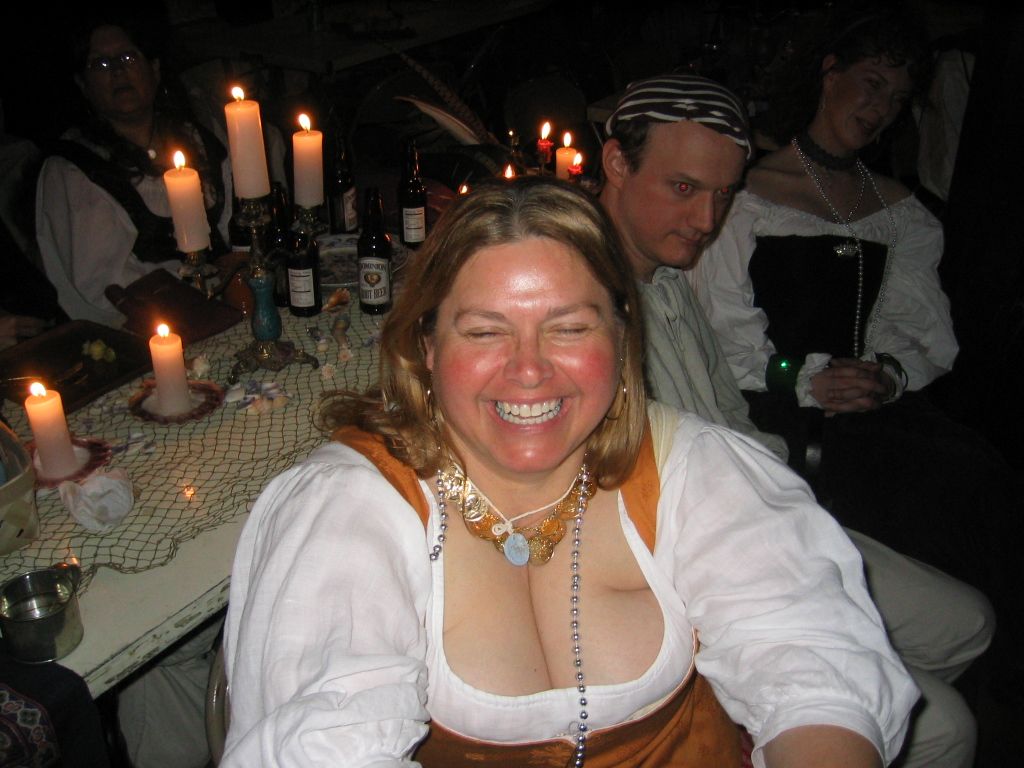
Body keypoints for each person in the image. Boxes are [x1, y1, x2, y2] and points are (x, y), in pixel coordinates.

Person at [222, 176, 917, 767]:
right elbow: (323, 740)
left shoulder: (692, 468)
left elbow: (815, 669)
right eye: (485, 330)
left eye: (570, 327)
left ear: (621, 334)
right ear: (427, 345)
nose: (529, 370)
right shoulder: (350, 507)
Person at [598, 72, 992, 767]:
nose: (706, 220)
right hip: (694, 565)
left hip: (762, 510)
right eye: (683, 187)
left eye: (723, 195)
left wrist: (792, 505)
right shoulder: (581, 300)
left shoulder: (672, 274)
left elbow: (731, 411)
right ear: (616, 164)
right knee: (946, 727)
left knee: (969, 623)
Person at [688, 6, 1022, 685]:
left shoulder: (900, 211)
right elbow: (724, 332)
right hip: (777, 402)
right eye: (872, 83)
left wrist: (887, 375)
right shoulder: (746, 196)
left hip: (876, 405)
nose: (881, 109)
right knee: (915, 493)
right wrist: (801, 378)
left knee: (983, 478)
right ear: (829, 72)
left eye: (897, 98)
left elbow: (917, 330)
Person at [34, 4, 233, 328]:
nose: (117, 72)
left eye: (128, 58)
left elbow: (235, 223)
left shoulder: (196, 139)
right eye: (100, 64)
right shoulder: (74, 171)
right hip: (147, 328)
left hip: (229, 306)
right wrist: (198, 289)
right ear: (83, 84)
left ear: (153, 69)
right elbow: (103, 286)